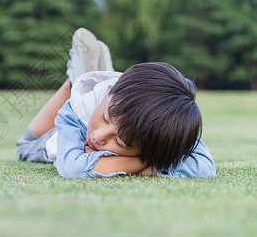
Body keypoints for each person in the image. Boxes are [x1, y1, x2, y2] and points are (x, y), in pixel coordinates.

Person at [16, 28, 216, 178]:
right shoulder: (75, 110)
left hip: (102, 99)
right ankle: (75, 81)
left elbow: (205, 167)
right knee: (24, 146)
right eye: (105, 118)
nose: (98, 137)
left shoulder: (164, 124)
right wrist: (141, 162)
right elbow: (71, 167)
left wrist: (143, 159)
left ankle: (82, 79)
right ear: (113, 91)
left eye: (120, 142)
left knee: (101, 108)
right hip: (80, 113)